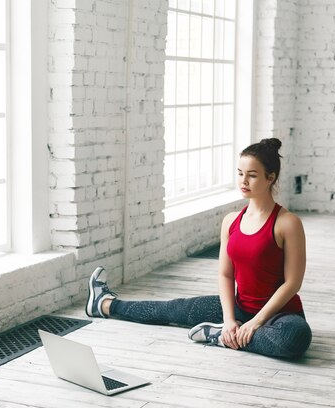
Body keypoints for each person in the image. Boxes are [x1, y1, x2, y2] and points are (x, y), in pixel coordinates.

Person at [85, 138, 312, 359]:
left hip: (279, 315)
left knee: (295, 338)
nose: (244, 181)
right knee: (173, 309)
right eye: (240, 174)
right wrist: (230, 319)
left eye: (252, 176)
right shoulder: (231, 221)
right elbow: (225, 274)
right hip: (239, 308)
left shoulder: (287, 223)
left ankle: (221, 337)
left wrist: (256, 322)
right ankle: (103, 304)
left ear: (270, 178)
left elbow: (293, 283)